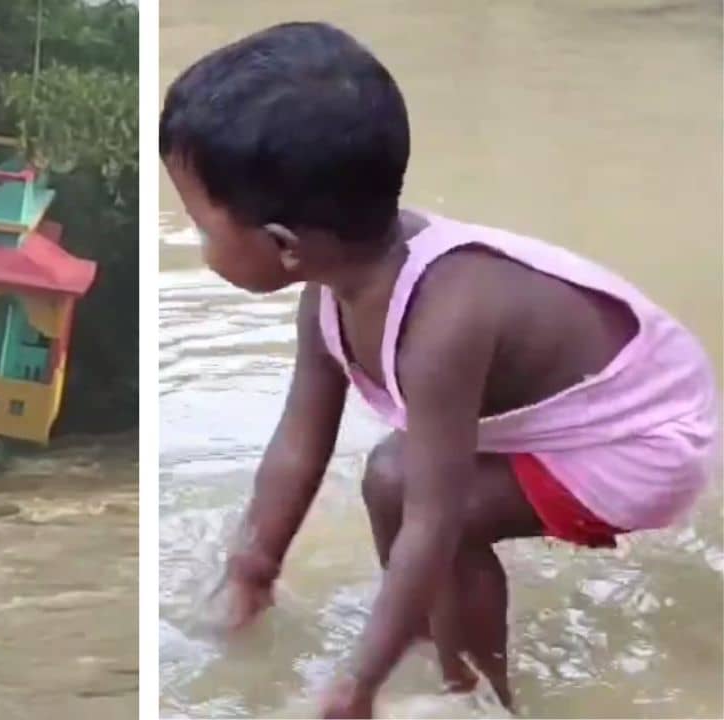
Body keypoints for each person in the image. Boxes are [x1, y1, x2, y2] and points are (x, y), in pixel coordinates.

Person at [160, 21, 720, 719]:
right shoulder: (334, 289)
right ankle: (427, 639)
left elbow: (436, 515)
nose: (199, 243)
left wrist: (357, 683)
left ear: (284, 245)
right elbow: (299, 444)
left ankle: (478, 698)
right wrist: (252, 569)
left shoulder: (443, 322)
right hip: (594, 410)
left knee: (425, 503)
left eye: (204, 228)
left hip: (643, 442)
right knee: (391, 476)